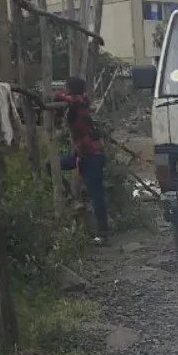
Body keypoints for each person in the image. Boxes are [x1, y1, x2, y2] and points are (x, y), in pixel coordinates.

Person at [55, 76, 110, 244]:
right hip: (83, 155)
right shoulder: (78, 103)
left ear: (71, 89)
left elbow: (69, 98)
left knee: (96, 195)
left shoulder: (80, 101)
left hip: (92, 156)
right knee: (53, 166)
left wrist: (55, 94)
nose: (65, 90)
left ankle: (103, 233)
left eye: (67, 88)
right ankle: (73, 200)